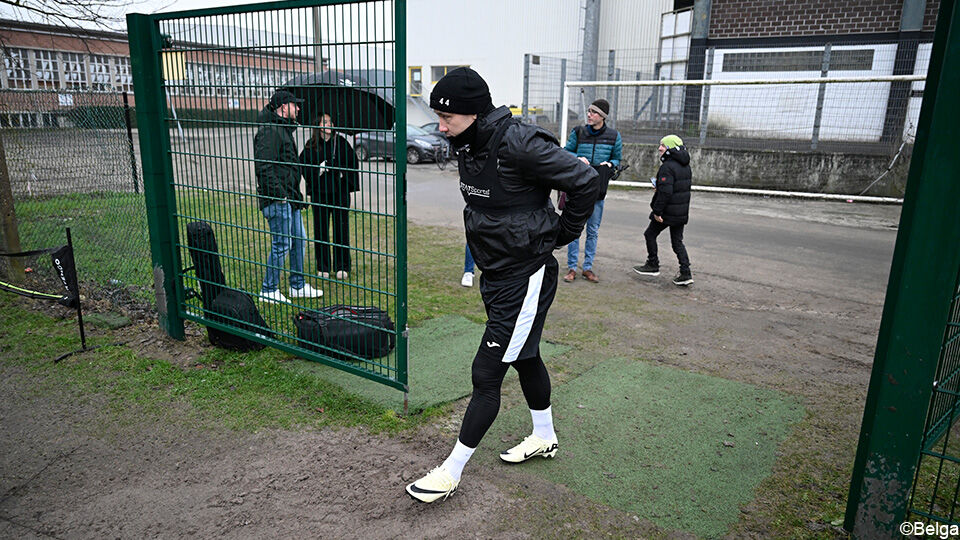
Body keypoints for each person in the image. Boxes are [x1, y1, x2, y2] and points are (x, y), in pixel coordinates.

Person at [405, 67, 599, 503]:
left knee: (487, 373)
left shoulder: (521, 142)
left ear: (472, 113)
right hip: (495, 273)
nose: (440, 127)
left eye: (446, 119)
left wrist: (561, 233)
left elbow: (585, 181)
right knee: (526, 357)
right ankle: (544, 435)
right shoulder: (469, 143)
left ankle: (450, 472)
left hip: (525, 276)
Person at [254, 89, 322, 303]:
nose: (299, 108)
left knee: (299, 241)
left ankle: (297, 285)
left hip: (290, 199)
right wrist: (280, 195)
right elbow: (263, 167)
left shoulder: (283, 129)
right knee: (282, 244)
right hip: (278, 200)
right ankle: (268, 290)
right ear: (284, 107)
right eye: (295, 105)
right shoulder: (270, 131)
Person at [561, 98, 622, 283]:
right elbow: (566, 151)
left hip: (598, 189)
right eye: (588, 111)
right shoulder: (578, 132)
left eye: (593, 112)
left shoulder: (614, 136)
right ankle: (572, 267)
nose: (589, 115)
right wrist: (578, 158)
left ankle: (587, 267)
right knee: (574, 228)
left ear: (602, 116)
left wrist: (610, 164)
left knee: (593, 230)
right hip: (578, 188)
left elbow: (617, 159)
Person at [299, 113, 359, 281]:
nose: (328, 124)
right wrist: (319, 169)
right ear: (317, 125)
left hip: (339, 193)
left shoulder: (341, 143)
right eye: (324, 121)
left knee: (341, 229)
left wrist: (341, 172)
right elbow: (303, 165)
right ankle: (323, 266)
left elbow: (353, 163)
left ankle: (342, 266)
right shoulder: (311, 146)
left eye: (330, 121)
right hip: (320, 195)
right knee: (321, 230)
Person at [633, 134, 693, 286]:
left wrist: (657, 212)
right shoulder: (685, 166)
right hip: (680, 212)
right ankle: (686, 273)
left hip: (667, 212)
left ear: (670, 149)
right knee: (677, 242)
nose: (659, 148)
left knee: (650, 234)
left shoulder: (667, 167)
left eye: (663, 146)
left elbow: (666, 193)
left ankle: (653, 264)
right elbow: (677, 188)